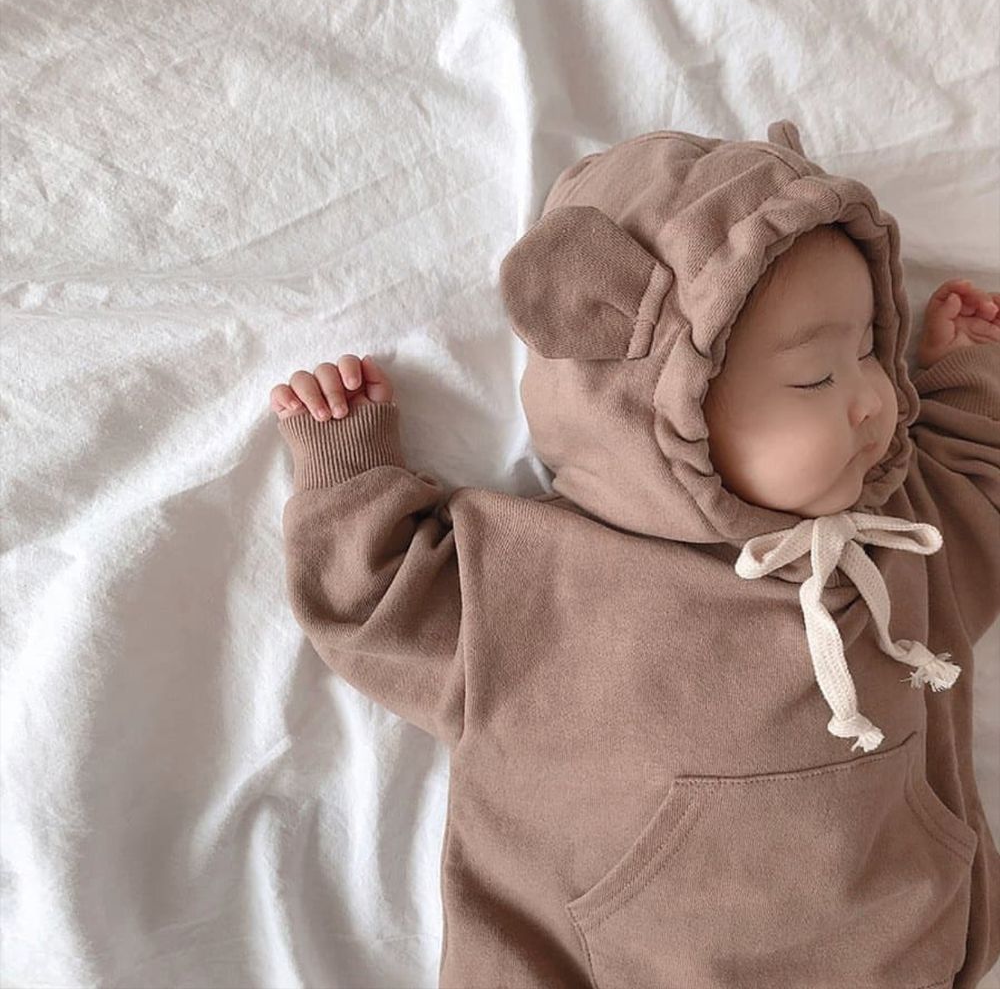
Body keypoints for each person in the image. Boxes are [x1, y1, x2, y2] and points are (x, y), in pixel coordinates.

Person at [269, 120, 1000, 987]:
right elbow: (378, 608)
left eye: (870, 348)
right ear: (662, 403)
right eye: (815, 375)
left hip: (900, 948)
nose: (872, 399)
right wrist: (350, 467)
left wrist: (966, 377)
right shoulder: (539, 573)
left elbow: (980, 500)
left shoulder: (902, 532)